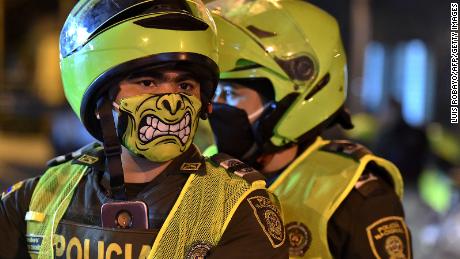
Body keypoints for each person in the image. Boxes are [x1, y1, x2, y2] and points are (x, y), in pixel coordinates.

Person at [0, 1, 288, 258]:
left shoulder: (236, 208)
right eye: (148, 83)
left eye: (185, 85)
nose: (172, 102)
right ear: (100, 95)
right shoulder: (42, 195)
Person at [206, 0, 412, 258]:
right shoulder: (206, 169)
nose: (216, 106)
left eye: (231, 92)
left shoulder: (355, 197)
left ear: (291, 98)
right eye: (216, 92)